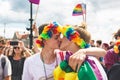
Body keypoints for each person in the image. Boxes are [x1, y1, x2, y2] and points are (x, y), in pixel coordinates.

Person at [22, 22, 106, 80]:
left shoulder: (71, 57)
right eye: (56, 37)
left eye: (62, 36)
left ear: (72, 39)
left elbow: (103, 52)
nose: (60, 38)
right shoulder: (30, 62)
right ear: (45, 41)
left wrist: (84, 51)